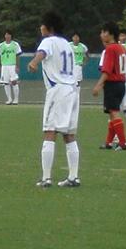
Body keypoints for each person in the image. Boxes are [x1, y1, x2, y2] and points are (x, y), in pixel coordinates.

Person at [29, 11, 81, 187]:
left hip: (57, 90)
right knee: (69, 135)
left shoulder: (48, 41)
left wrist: (34, 62)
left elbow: (42, 53)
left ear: (48, 28)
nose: (40, 27)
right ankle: (73, 177)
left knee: (49, 132)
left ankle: (46, 178)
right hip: (73, 90)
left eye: (42, 25)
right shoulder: (67, 44)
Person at [94, 24, 126, 151]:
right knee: (112, 113)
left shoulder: (110, 49)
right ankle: (108, 142)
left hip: (113, 84)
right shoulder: (121, 48)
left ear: (111, 34)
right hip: (121, 84)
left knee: (114, 113)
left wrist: (98, 85)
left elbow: (107, 70)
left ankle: (123, 143)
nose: (101, 34)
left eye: (104, 32)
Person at [0, 31, 21, 105]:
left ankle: (16, 99)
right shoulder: (1, 45)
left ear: (11, 36)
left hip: (12, 65)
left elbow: (18, 56)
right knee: (6, 83)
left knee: (14, 82)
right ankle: (9, 99)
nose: (7, 36)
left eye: (9, 34)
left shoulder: (15, 44)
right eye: (6, 34)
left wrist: (17, 66)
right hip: (4, 66)